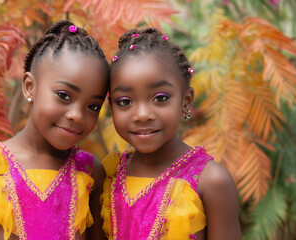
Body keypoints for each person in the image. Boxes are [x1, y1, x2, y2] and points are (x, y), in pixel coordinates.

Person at [0, 20, 109, 240]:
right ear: (29, 87)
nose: (77, 115)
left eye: (93, 106)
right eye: (64, 96)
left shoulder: (91, 171)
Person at [100, 28, 241, 240]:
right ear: (111, 106)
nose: (142, 115)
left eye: (160, 98)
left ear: (186, 101)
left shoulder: (210, 181)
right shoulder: (107, 175)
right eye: (125, 102)